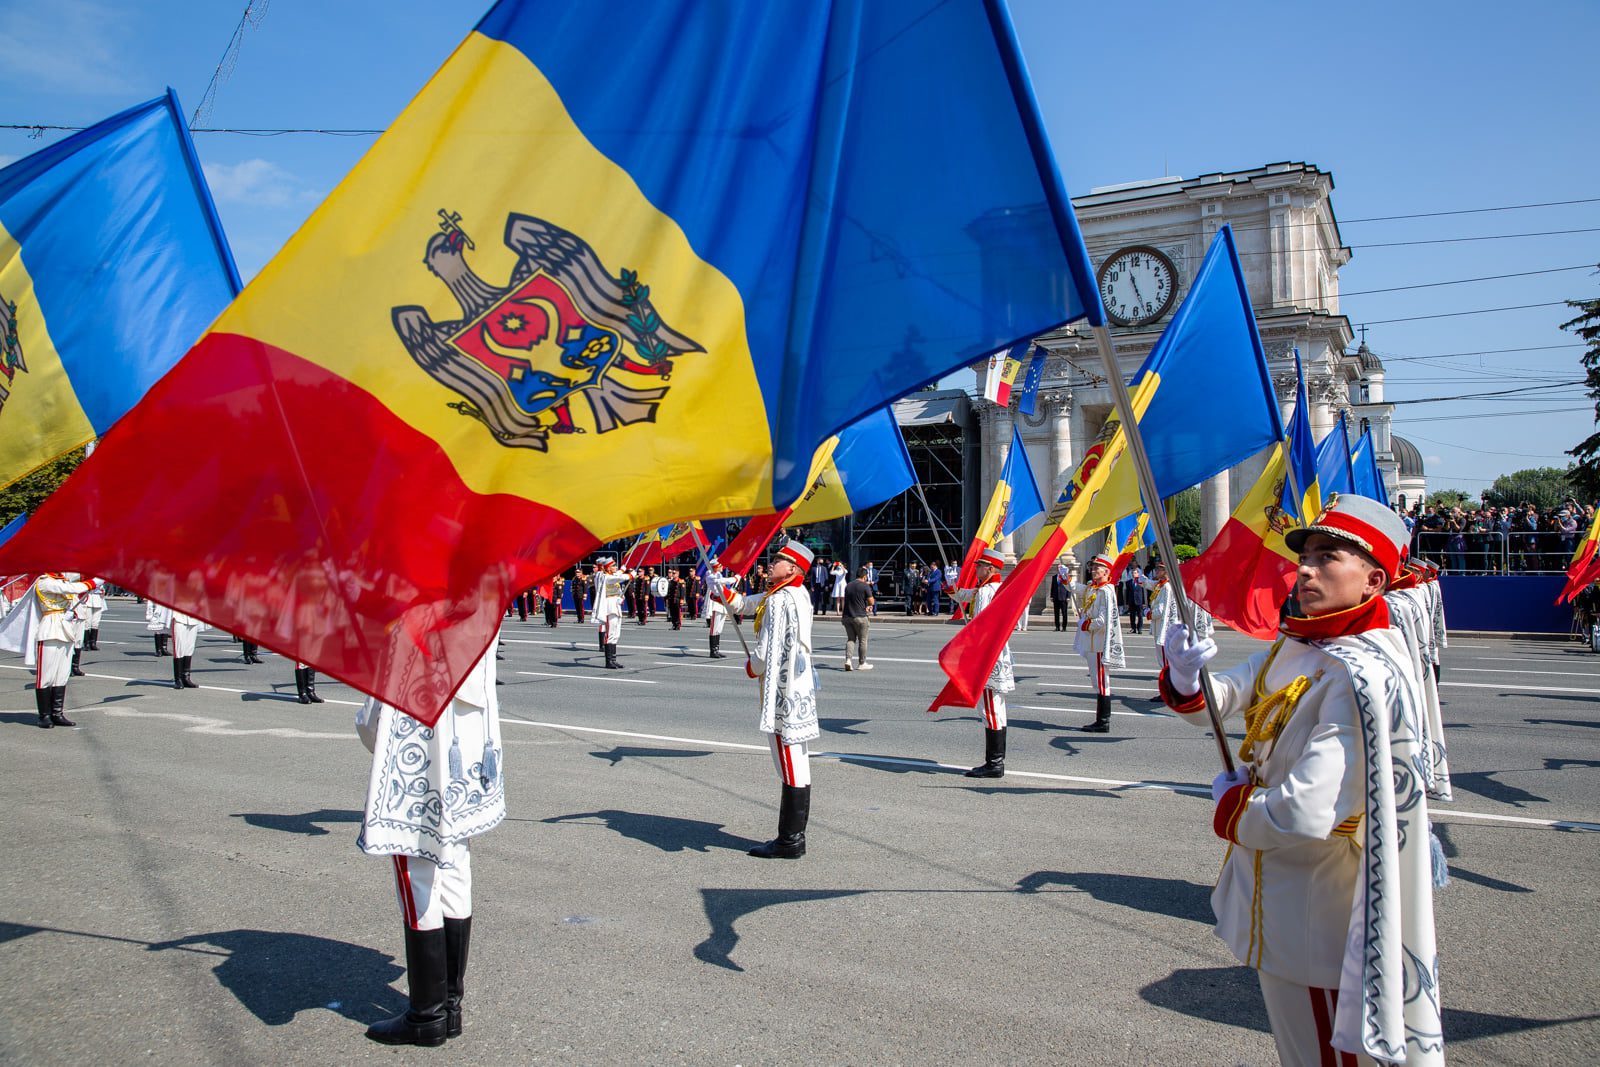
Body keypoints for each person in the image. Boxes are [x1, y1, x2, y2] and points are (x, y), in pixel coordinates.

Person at [1159, 494, 1443, 1067]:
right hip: (1280, 902)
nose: (1306, 569)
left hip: (1321, 914)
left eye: (1328, 556)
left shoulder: (1359, 673)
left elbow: (1303, 811)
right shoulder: (1300, 641)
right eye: (1305, 556)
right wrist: (1188, 678)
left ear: (1373, 581)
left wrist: (1234, 806)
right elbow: (1227, 698)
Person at [356, 636, 503, 1047]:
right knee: (455, 866)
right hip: (467, 743)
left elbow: (377, 711)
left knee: (417, 874)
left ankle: (427, 1015)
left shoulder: (415, 611)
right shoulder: (479, 607)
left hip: (422, 745)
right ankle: (450, 1007)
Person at [723, 540, 819, 859]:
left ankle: (789, 841)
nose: (770, 564)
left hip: (781, 692)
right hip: (799, 688)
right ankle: (794, 837)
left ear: (791, 568)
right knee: (798, 760)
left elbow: (763, 654)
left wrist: (751, 667)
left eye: (777, 560)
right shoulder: (797, 593)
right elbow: (747, 604)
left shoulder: (778, 599)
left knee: (788, 762)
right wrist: (723, 593)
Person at [0, 572, 101, 727]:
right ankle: (44, 716)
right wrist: (96, 581)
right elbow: (71, 588)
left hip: (65, 629)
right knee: (46, 675)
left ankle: (57, 713)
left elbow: (74, 585)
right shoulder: (44, 581)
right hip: (49, 629)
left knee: (62, 674)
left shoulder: (61, 580)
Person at [949, 548, 1014, 777]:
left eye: (979, 566)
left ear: (990, 568)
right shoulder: (991, 588)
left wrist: (972, 646)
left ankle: (994, 763)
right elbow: (964, 596)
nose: (976, 569)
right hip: (997, 653)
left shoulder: (987, 591)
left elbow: (983, 625)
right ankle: (997, 761)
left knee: (989, 708)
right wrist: (951, 583)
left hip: (988, 656)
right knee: (998, 708)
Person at [1071, 554, 1124, 733]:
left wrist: (1085, 624)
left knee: (1102, 682)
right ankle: (1101, 720)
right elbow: (1077, 589)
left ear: (1106, 572)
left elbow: (1102, 620)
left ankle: (1103, 721)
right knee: (1097, 681)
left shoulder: (1106, 591)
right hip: (1092, 642)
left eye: (1097, 568)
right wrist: (1066, 580)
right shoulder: (1092, 588)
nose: (1093, 571)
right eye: (1092, 568)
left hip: (1100, 643)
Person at [1143, 559, 1212, 676]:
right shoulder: (1162, 584)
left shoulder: (1166, 587)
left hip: (1164, 625)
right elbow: (1151, 585)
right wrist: (1142, 580)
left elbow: (1161, 610)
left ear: (1166, 571)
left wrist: (1148, 613)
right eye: (1157, 568)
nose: (1157, 571)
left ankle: (1170, 679)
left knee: (1165, 656)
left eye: (1160, 569)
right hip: (1162, 625)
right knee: (1164, 656)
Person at [593, 558, 631, 669]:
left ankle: (613, 659)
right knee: (609, 634)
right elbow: (618, 577)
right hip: (609, 607)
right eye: (613, 566)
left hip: (616, 606)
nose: (615, 567)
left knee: (615, 634)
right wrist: (630, 575)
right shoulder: (604, 577)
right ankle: (608, 661)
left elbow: (617, 576)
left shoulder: (611, 575)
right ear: (608, 568)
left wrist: (620, 598)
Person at [840, 565, 874, 671]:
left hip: (847, 616)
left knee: (851, 639)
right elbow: (871, 601)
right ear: (864, 576)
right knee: (863, 640)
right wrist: (869, 606)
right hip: (860, 617)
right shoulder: (865, 586)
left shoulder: (848, 585)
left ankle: (848, 661)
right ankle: (862, 663)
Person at [705, 560, 737, 658]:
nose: (722, 567)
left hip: (721, 604)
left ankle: (716, 649)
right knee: (714, 628)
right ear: (716, 567)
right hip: (715, 604)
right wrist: (736, 578)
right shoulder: (711, 575)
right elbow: (723, 581)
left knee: (719, 628)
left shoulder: (718, 574)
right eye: (720, 566)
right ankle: (713, 651)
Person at [169, 609, 207, 691]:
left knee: (189, 648)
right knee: (179, 648)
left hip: (193, 618)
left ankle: (186, 678)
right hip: (179, 618)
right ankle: (178, 679)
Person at [1123, 561, 1147, 635]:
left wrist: (1143, 602)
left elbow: (1142, 592)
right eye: (1133, 573)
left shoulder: (1140, 582)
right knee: (1132, 615)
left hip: (1139, 600)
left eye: (1135, 573)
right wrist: (1127, 602)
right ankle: (1133, 628)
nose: (1134, 574)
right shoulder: (1129, 582)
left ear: (1138, 574)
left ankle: (1139, 628)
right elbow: (1127, 593)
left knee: (1140, 615)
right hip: (1131, 600)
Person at [1049, 563, 1072, 631]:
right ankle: (1057, 627)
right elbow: (1052, 587)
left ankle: (1064, 627)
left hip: (1063, 597)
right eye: (1058, 568)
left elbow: (1069, 587)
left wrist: (1068, 596)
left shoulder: (1066, 576)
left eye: (1060, 568)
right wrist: (1051, 596)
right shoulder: (1054, 577)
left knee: (1064, 613)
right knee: (1056, 613)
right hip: (1056, 597)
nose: (1059, 569)